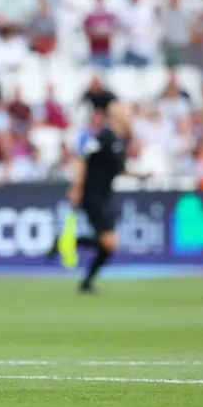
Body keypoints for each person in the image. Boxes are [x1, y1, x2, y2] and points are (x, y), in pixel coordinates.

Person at [48, 102, 144, 293]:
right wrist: (77, 188)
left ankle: (81, 271)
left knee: (108, 244)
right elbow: (81, 159)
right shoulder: (103, 137)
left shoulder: (119, 140)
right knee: (109, 243)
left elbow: (119, 168)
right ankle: (81, 270)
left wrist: (141, 176)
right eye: (126, 113)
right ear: (117, 117)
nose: (130, 117)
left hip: (105, 195)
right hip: (92, 194)